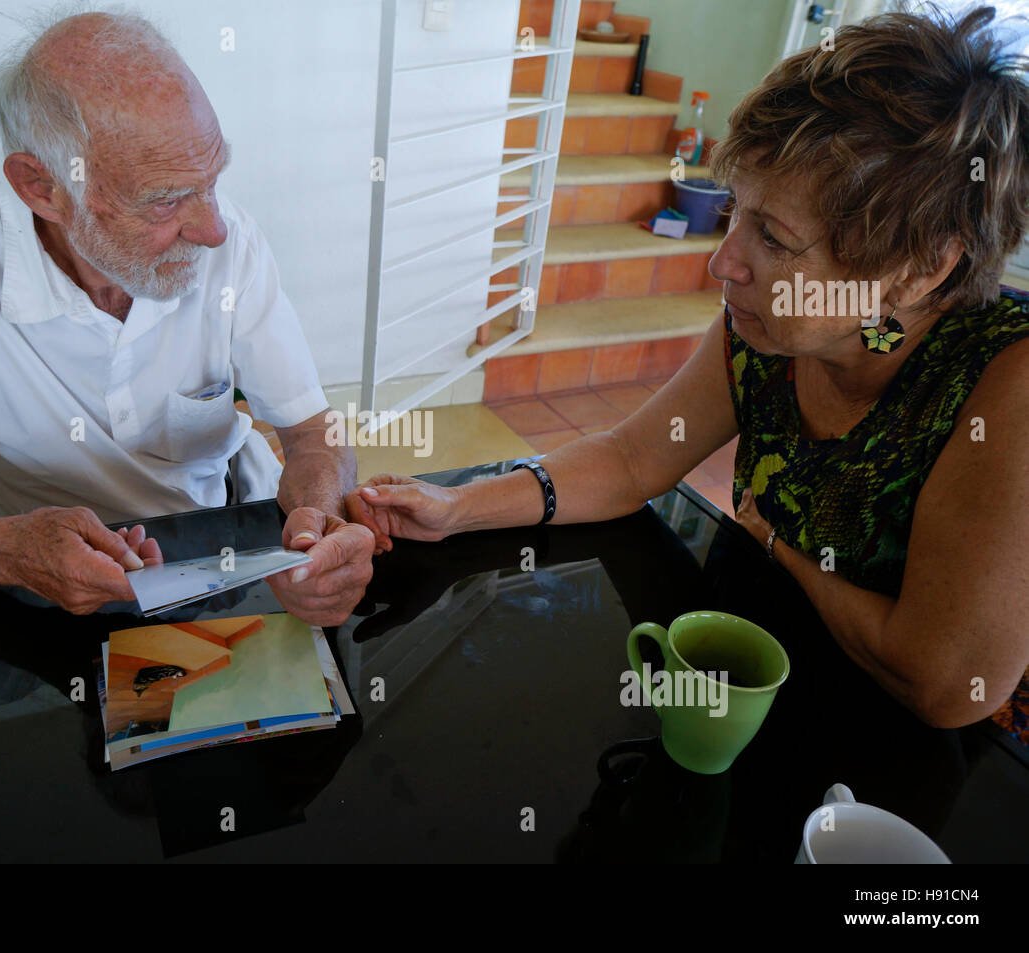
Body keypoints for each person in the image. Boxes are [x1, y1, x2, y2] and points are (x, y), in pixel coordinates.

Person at [346, 6, 1029, 730]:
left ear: (920, 268)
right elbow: (633, 459)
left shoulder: (1003, 381)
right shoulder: (772, 330)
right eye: (737, 210)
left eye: (771, 234)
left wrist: (776, 547)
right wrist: (460, 507)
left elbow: (948, 683)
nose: (722, 261)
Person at [0, 11, 372, 623]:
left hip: (222, 550)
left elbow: (309, 430)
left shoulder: (226, 237)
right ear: (41, 187)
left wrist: (319, 524)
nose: (212, 229)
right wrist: (4, 552)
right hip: (30, 593)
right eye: (163, 200)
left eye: (212, 180)